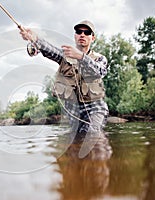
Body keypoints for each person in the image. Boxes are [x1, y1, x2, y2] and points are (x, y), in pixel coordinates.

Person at [20, 20, 109, 158]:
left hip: (96, 108)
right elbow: (48, 48)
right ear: (75, 36)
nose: (82, 35)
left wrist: (80, 56)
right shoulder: (64, 56)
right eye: (79, 32)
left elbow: (99, 72)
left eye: (87, 32)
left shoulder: (100, 58)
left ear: (93, 37)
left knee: (91, 134)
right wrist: (34, 38)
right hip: (74, 112)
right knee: (75, 149)